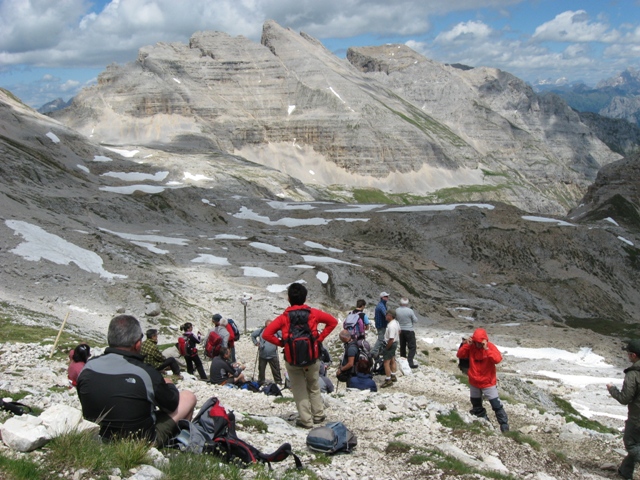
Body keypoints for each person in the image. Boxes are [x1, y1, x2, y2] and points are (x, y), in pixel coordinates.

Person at [77, 315, 196, 446]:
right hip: (139, 442)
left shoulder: (87, 367)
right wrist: (170, 385)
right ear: (137, 344)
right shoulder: (146, 372)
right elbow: (171, 405)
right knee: (189, 397)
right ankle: (175, 445)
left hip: (98, 436)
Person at [262, 283, 338, 429]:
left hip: (292, 359)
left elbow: (267, 334)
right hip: (312, 357)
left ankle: (306, 420)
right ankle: (318, 415)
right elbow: (332, 322)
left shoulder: (284, 317)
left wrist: (282, 343)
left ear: (289, 298)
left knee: (299, 388)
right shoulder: (313, 313)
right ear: (305, 298)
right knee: (314, 385)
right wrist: (319, 339)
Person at [456, 328, 509, 433]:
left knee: (496, 406)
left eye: (480, 343)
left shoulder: (491, 347)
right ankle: (485, 423)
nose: (478, 345)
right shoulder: (471, 347)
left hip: (488, 383)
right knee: (476, 405)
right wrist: (467, 344)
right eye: (476, 342)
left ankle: (505, 427)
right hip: (474, 382)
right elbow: (460, 355)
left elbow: (497, 360)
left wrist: (487, 350)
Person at [607, 340, 640, 480]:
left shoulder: (633, 374)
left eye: (628, 353)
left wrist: (612, 389)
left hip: (637, 418)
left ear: (633, 355)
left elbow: (624, 398)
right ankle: (624, 472)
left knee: (631, 444)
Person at [251, 320, 282, 385]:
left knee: (276, 369)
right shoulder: (261, 331)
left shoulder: (276, 331)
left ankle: (278, 381)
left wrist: (281, 343)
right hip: (263, 354)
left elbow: (283, 336)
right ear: (265, 326)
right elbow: (253, 335)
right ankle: (261, 381)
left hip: (273, 354)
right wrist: (256, 343)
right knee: (261, 369)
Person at [396, 297, 419, 368]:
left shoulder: (397, 310)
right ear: (407, 303)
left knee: (402, 346)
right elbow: (415, 320)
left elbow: (396, 319)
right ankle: (410, 362)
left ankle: (403, 361)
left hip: (401, 330)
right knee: (412, 346)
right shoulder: (410, 311)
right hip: (409, 330)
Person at [381, 309, 400, 388]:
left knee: (386, 362)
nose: (385, 316)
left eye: (387, 315)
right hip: (395, 343)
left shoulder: (391, 326)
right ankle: (393, 375)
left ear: (390, 316)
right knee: (392, 360)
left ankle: (388, 380)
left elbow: (391, 339)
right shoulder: (396, 322)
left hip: (390, 344)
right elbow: (399, 331)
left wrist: (387, 348)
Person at [371, 292, 389, 358]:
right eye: (386, 296)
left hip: (380, 324)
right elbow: (385, 314)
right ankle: (373, 352)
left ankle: (381, 351)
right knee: (380, 339)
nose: (387, 298)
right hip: (381, 324)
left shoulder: (381, 304)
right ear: (382, 297)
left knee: (382, 338)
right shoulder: (381, 305)